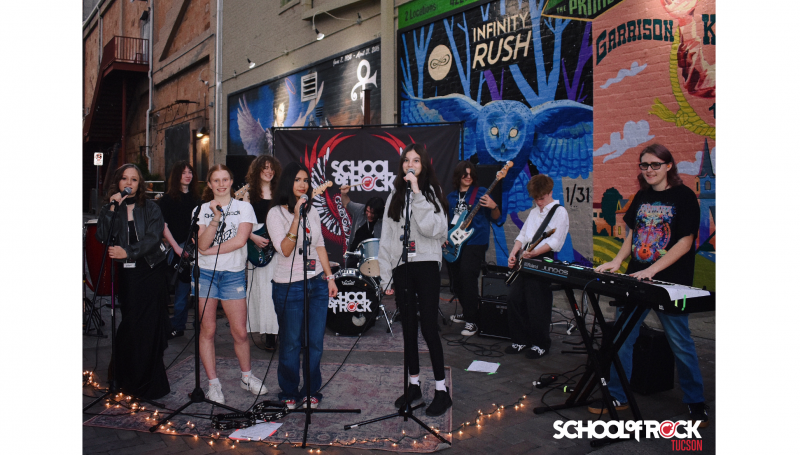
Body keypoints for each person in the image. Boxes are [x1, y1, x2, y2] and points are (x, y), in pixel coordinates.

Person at [589, 143, 709, 427]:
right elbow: (633, 233)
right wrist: (618, 261)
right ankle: (618, 395)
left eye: (655, 164)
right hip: (636, 278)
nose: (649, 170)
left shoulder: (684, 197)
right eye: (644, 165)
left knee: (681, 342)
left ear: (669, 166)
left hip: (671, 283)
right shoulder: (642, 196)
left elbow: (685, 241)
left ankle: (695, 403)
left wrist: (653, 270)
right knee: (622, 338)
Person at [377, 143, 452, 417]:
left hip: (427, 265)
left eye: (416, 161)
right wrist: (386, 276)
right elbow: (386, 239)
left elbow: (435, 229)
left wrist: (418, 194)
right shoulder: (394, 196)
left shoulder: (432, 194)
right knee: (408, 328)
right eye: (407, 161)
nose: (411, 165)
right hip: (403, 268)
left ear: (424, 166)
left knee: (429, 327)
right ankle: (414, 386)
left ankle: (442, 392)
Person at [95, 164, 171, 399]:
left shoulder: (151, 207)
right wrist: (110, 210)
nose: (129, 183)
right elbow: (101, 236)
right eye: (125, 179)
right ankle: (126, 378)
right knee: (129, 324)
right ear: (118, 182)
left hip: (150, 270)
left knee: (149, 326)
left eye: (134, 179)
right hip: (127, 275)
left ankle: (149, 382)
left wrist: (127, 252)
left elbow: (152, 238)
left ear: (140, 184)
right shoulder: (113, 207)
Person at [266, 162, 338, 409]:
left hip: (316, 283)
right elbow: (285, 250)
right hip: (289, 286)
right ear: (288, 182)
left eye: (306, 180)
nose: (303, 184)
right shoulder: (275, 214)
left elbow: (319, 247)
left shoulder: (314, 211)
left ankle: (310, 390)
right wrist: (296, 216)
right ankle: (289, 391)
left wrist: (329, 277)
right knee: (291, 342)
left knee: (315, 342)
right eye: (298, 179)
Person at [194, 164, 267, 404]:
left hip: (233, 274)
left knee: (239, 332)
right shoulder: (201, 210)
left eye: (225, 179)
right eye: (216, 180)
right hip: (205, 275)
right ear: (210, 184)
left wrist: (208, 250)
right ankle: (213, 384)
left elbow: (240, 240)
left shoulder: (244, 208)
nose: (221, 184)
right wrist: (215, 217)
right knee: (208, 330)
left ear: (231, 181)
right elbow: (200, 241)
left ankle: (246, 377)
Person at [505, 174, 569, 359]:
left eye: (542, 198)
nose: (539, 202)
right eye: (536, 199)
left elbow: (556, 241)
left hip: (543, 259)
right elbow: (523, 236)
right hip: (525, 259)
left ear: (550, 193)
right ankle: (520, 339)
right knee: (514, 299)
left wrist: (535, 253)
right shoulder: (534, 212)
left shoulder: (559, 212)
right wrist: (513, 252)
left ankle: (540, 343)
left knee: (537, 303)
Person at [445, 161, 501, 336]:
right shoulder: (451, 197)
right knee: (456, 281)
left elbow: (497, 218)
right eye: (465, 174)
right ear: (458, 176)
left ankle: (472, 321)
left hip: (475, 242)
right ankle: (468, 310)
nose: (468, 177)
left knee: (468, 278)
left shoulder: (481, 193)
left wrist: (494, 207)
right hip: (454, 243)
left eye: (471, 174)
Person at [242, 155, 282, 349]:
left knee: (277, 289)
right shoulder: (249, 193)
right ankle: (267, 333)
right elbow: (241, 223)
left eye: (271, 168)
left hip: (277, 247)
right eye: (265, 167)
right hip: (257, 245)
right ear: (257, 170)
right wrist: (252, 236)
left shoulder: (280, 193)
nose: (269, 171)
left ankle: (278, 330)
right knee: (262, 290)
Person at [158, 161, 201, 340]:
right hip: (178, 249)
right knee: (182, 291)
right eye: (184, 172)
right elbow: (163, 226)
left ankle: (200, 325)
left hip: (198, 249)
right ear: (176, 176)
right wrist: (176, 248)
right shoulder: (166, 200)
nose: (188, 175)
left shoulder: (198, 200)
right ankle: (178, 325)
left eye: (190, 172)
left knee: (200, 291)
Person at [339, 184, 384, 269]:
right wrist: (344, 194)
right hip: (354, 257)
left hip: (375, 260)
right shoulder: (360, 210)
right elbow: (346, 203)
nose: (369, 215)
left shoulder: (385, 219)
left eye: (373, 213)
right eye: (367, 211)